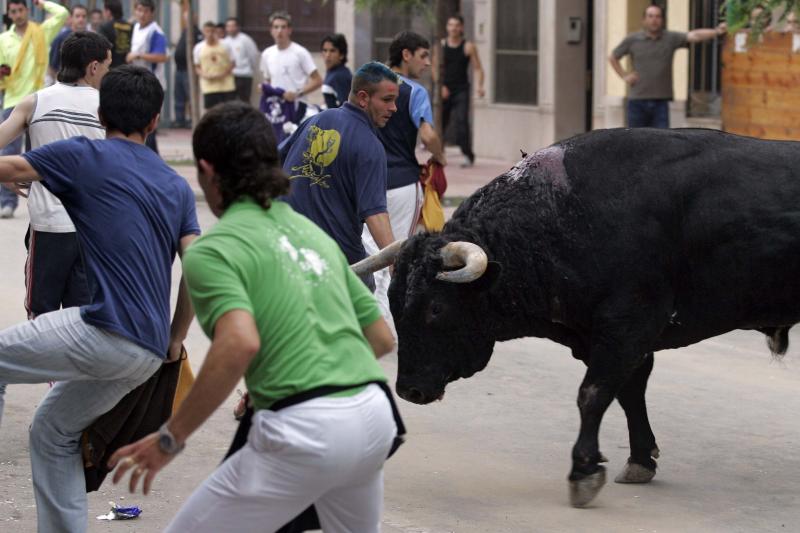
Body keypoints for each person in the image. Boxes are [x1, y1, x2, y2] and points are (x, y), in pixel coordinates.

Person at [108, 100, 397, 533]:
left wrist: (171, 437)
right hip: (374, 416)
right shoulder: (312, 235)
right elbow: (380, 337)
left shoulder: (212, 250)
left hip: (306, 427)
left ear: (207, 170)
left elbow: (239, 342)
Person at [0, 64, 198, 532]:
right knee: (53, 431)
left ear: (102, 113)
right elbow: (198, 266)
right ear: (154, 122)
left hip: (105, 330)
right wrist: (175, 339)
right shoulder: (176, 186)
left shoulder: (84, 155)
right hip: (148, 353)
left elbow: (8, 164)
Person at [0, 31, 110, 328]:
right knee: (81, 318)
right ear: (93, 67)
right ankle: (69, 376)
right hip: (92, 228)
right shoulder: (108, 108)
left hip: (48, 225)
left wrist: (10, 173)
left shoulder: (35, 103)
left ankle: (51, 375)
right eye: (108, 66)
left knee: (41, 315)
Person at [280, 61, 398, 290]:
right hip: (337, 262)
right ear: (363, 98)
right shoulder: (370, 147)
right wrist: (398, 263)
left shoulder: (316, 120)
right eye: (387, 100)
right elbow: (376, 215)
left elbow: (273, 163)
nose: (394, 108)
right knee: (365, 296)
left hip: (286, 247)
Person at [362, 31, 446, 331]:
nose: (426, 63)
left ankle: (364, 319)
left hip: (366, 182)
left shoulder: (369, 82)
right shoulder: (414, 92)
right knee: (392, 255)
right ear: (406, 55)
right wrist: (440, 155)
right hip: (401, 183)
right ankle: (382, 326)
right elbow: (427, 135)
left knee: (367, 251)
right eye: (423, 56)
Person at [0, 0, 68, 219]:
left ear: (27, 11)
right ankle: (7, 202)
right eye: (13, 11)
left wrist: (41, 2)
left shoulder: (41, 31)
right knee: (8, 153)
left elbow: (62, 13)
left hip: (39, 100)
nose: (18, 14)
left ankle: (39, 198)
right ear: (9, 14)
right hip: (13, 100)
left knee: (39, 153)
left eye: (21, 10)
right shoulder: (4, 40)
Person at [609, 3, 726, 128]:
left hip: (661, 102)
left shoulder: (670, 38)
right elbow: (613, 57)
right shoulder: (632, 39)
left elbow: (694, 36)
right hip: (637, 101)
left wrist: (717, 31)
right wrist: (624, 75)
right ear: (644, 19)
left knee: (662, 143)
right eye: (650, 16)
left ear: (662, 20)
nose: (654, 20)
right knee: (636, 142)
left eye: (658, 16)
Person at [436, 14, 484, 167]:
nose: (453, 28)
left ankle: (467, 155)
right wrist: (440, 86)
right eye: (451, 25)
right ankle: (438, 153)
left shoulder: (468, 46)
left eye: (456, 25)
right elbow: (435, 69)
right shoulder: (440, 45)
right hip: (444, 88)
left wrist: (480, 86)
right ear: (447, 27)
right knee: (440, 123)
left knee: (462, 121)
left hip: (462, 89)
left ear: (461, 28)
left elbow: (478, 68)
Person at [127, 0, 167, 152]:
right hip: (137, 82)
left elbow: (161, 56)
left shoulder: (155, 31)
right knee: (140, 122)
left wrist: (138, 55)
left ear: (152, 13)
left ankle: (149, 156)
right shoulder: (136, 27)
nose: (141, 14)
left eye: (145, 11)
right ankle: (151, 157)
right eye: (139, 10)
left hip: (152, 83)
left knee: (147, 123)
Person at [260, 11, 322, 107]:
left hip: (297, 106)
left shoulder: (300, 52)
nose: (279, 31)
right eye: (276, 27)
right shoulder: (266, 54)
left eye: (283, 27)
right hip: (276, 108)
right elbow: (268, 81)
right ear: (271, 30)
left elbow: (317, 80)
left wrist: (297, 94)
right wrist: (263, 88)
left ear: (289, 30)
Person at [193, 20, 236, 111]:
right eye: (207, 31)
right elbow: (197, 66)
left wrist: (223, 74)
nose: (210, 34)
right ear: (203, 32)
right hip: (209, 85)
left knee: (228, 110)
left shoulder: (225, 45)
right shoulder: (198, 48)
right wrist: (205, 75)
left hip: (226, 84)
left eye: (212, 31)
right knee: (211, 111)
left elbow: (233, 63)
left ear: (216, 31)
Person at [173, 14, 201, 128]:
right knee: (178, 96)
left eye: (189, 19)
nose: (187, 21)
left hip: (188, 70)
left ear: (194, 19)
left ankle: (192, 119)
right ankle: (179, 120)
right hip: (179, 69)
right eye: (185, 19)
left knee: (190, 96)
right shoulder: (185, 31)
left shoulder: (197, 33)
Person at [223, 17, 259, 103]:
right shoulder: (225, 42)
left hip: (244, 75)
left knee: (244, 101)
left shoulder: (245, 40)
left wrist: (251, 69)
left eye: (233, 26)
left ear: (237, 27)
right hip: (230, 76)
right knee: (230, 101)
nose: (231, 29)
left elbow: (253, 55)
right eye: (228, 26)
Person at [48, 4, 88, 79]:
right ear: (71, 18)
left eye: (84, 16)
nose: (81, 19)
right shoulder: (61, 38)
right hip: (64, 82)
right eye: (77, 16)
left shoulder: (91, 39)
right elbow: (52, 65)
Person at [320, 32, 352, 109]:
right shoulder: (332, 71)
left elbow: (345, 109)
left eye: (332, 51)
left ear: (341, 55)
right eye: (325, 50)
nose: (327, 55)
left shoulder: (340, 76)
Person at [98, 0, 132, 69]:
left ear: (108, 12)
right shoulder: (131, 26)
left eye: (104, 10)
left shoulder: (105, 27)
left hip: (111, 69)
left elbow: (101, 50)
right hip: (128, 69)